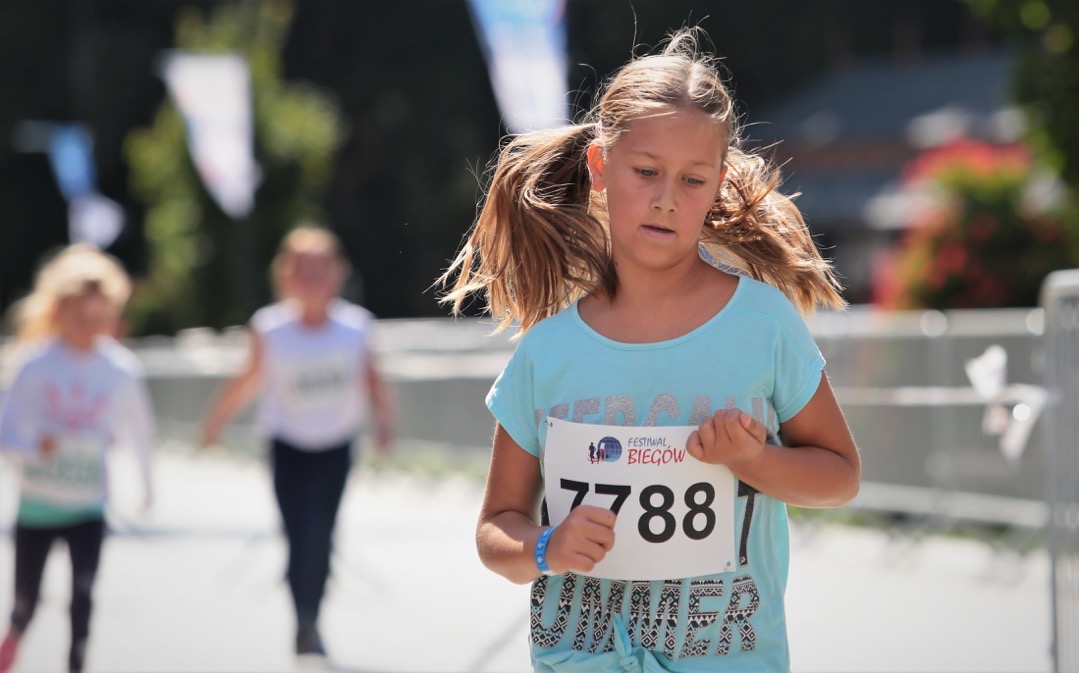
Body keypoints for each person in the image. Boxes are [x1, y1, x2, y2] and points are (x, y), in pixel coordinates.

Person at [440, 27, 861, 673]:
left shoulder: (763, 325)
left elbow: (840, 476)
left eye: (693, 179)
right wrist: (548, 547)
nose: (666, 199)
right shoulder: (548, 349)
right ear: (600, 167)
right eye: (645, 172)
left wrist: (754, 459)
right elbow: (496, 528)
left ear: (718, 183)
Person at [199, 225, 395, 660]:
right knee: (296, 534)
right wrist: (215, 422)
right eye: (304, 269)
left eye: (322, 268)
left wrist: (385, 426)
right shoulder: (270, 328)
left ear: (337, 273)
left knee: (321, 533)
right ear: (286, 275)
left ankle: (312, 620)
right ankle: (302, 617)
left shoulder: (356, 327)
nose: (313, 277)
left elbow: (373, 382)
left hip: (336, 445)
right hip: (288, 445)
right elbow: (248, 378)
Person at [0, 244, 154, 673]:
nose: (89, 329)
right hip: (38, 502)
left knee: (83, 594)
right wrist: (36, 446)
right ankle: (13, 636)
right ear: (58, 311)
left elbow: (140, 431)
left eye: (99, 320)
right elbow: (6, 432)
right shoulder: (34, 364)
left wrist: (147, 487)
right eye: (80, 318)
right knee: (26, 600)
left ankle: (76, 663)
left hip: (88, 504)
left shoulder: (120, 369)